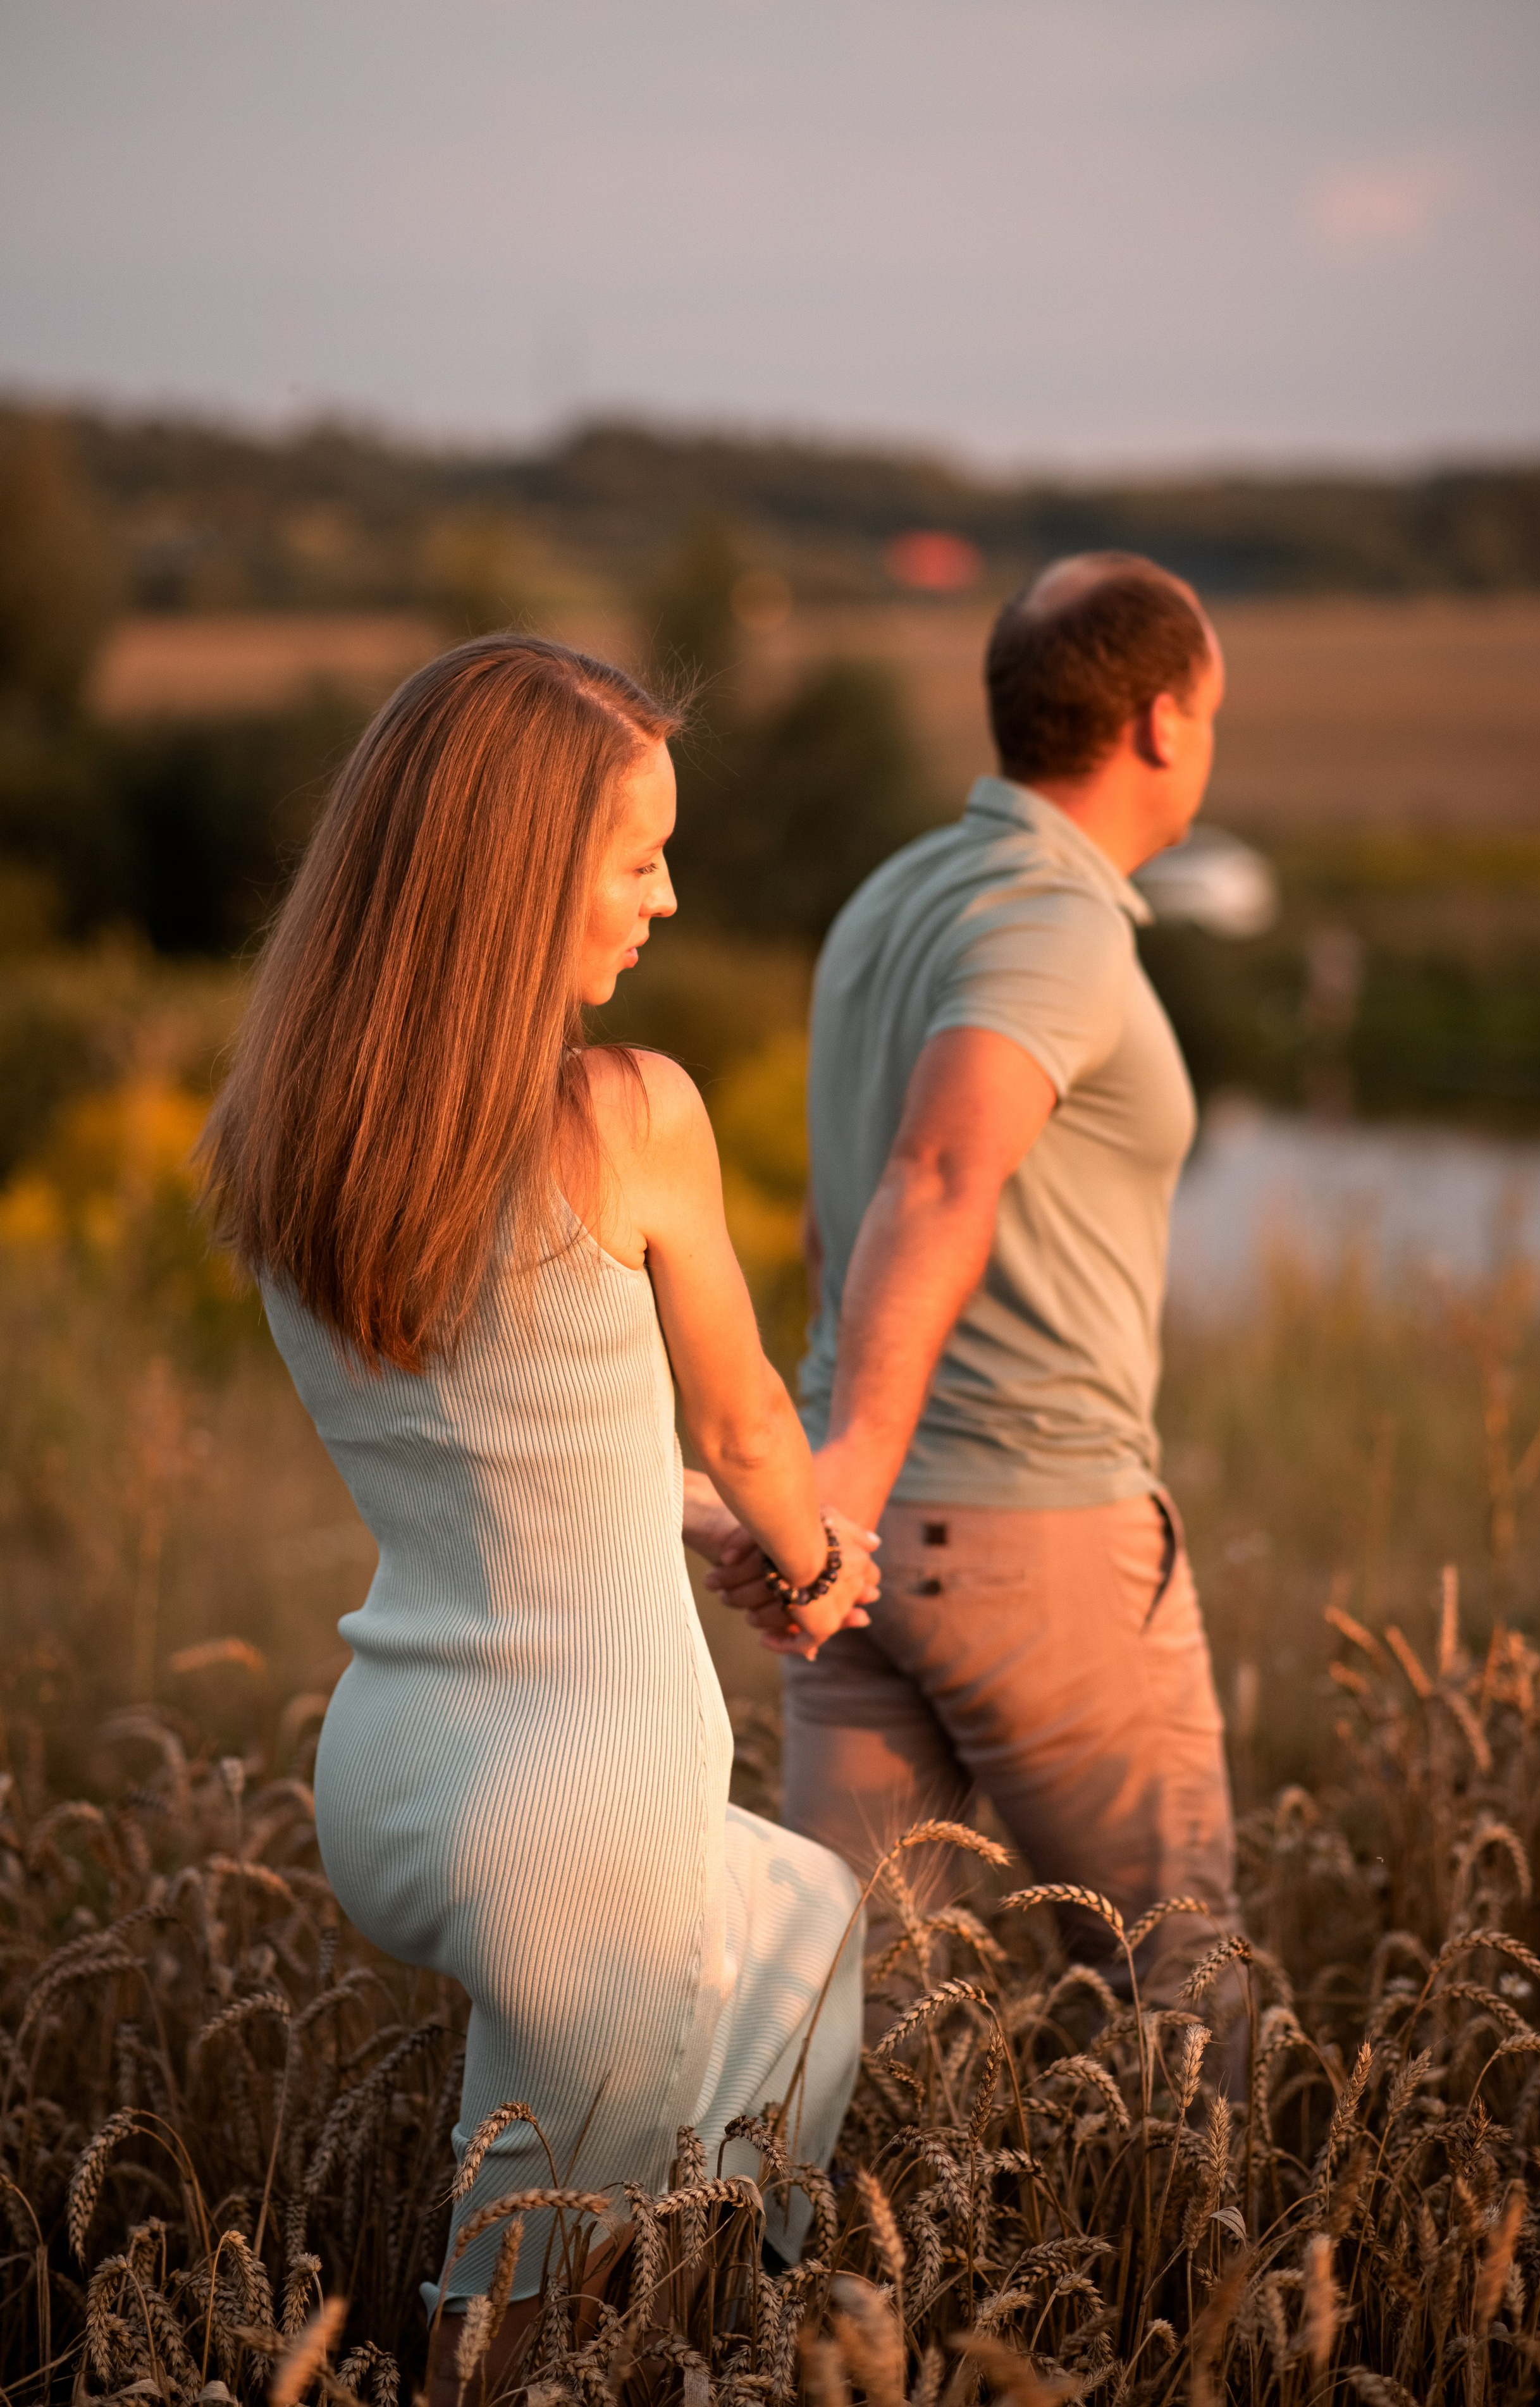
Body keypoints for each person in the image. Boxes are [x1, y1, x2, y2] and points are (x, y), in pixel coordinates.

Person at [198, 636, 876, 2391]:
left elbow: (493, 1435)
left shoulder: (303, 1131)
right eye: (636, 854)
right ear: (514, 879)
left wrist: (687, 1521)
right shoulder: (631, 1112)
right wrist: (806, 1563)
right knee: (511, 2326)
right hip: (580, 1790)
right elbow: (742, 1417)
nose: (669, 891)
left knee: (802, 1924)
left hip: (399, 1763)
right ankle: (677, 2317)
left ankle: (708, 2293)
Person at [711, 552, 1238, 1991]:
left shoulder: (894, 896)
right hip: (1026, 1530)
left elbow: (838, 1218)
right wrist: (852, 1483)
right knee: (1175, 1993)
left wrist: (835, 1501)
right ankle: (1186, 2232)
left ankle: (783, 2225)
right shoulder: (1049, 922)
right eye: (1209, 707)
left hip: (863, 1555)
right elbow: (938, 1172)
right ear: (1156, 724)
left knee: (843, 2014)